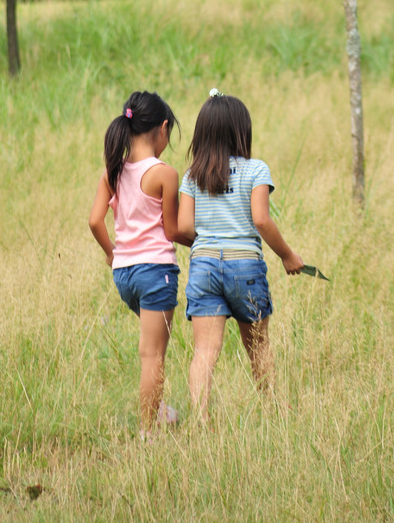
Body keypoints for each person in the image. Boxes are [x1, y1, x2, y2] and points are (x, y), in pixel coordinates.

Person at [177, 89, 304, 420]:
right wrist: (288, 255)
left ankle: (201, 419)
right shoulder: (256, 170)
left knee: (205, 351)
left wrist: (208, 245)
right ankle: (270, 408)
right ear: (241, 130)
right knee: (258, 347)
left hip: (203, 265)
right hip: (244, 264)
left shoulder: (192, 176)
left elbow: (184, 226)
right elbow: (261, 219)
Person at [89, 90, 191, 435]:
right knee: (153, 356)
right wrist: (204, 240)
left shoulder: (113, 172)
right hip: (156, 274)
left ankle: (160, 409)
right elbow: (173, 230)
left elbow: (94, 221)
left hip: (124, 277)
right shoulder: (164, 173)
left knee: (151, 351)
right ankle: (148, 432)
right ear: (162, 129)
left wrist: (111, 252)